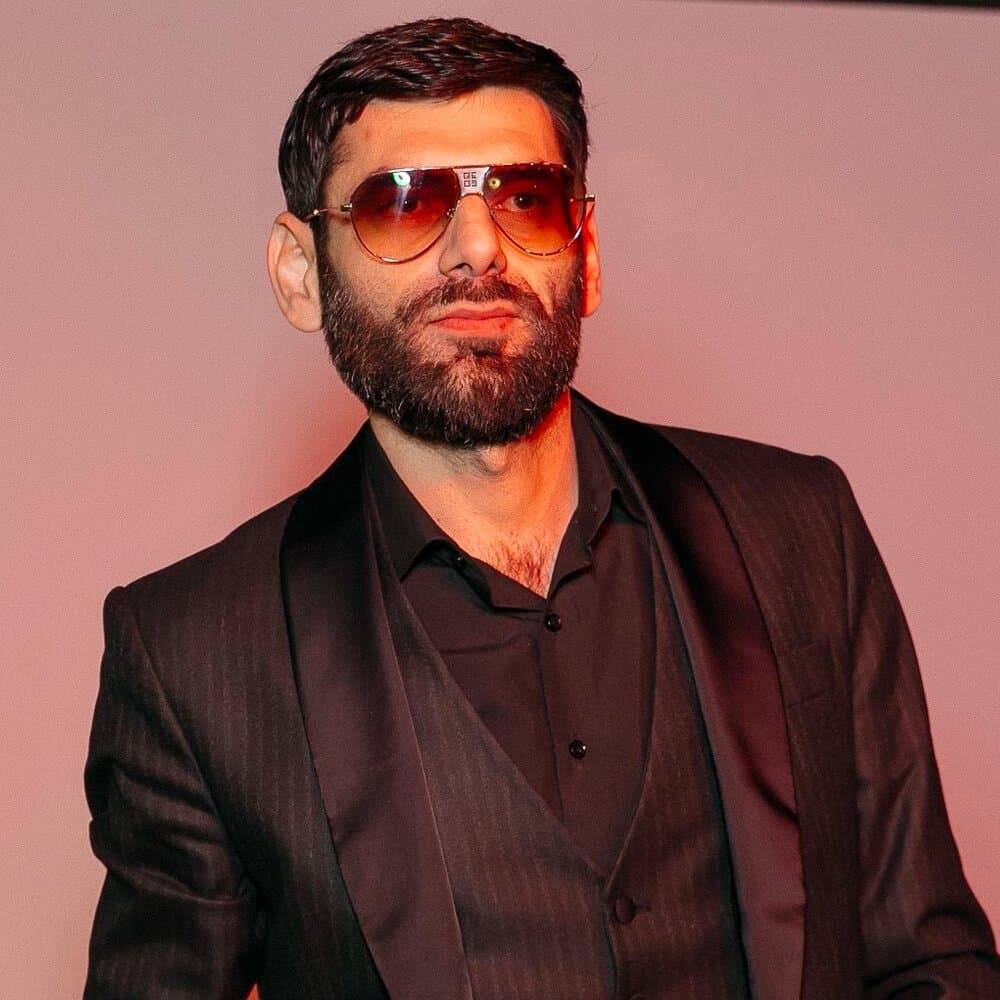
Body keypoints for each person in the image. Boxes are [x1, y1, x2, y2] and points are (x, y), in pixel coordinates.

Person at [84, 17, 998, 1000]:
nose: (478, 248)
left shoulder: (799, 529)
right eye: (404, 204)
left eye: (526, 198)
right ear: (301, 275)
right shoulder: (194, 654)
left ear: (586, 251)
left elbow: (930, 963)